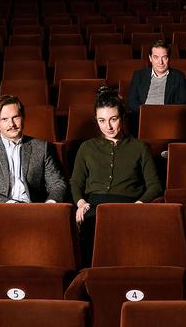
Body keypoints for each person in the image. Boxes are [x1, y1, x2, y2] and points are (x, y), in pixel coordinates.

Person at [0, 95, 67, 263]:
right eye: (5, 119)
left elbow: (57, 183)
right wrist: (10, 205)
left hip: (34, 211)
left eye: (15, 117)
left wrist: (49, 206)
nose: (12, 124)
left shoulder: (41, 147)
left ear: (23, 117)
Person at [70, 86, 162, 262]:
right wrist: (80, 203)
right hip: (93, 206)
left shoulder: (139, 147)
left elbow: (155, 185)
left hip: (128, 204)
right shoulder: (87, 147)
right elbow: (76, 183)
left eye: (113, 119)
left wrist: (139, 204)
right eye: (102, 120)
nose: (108, 126)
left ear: (123, 117)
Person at [127, 39, 186, 112]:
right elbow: (132, 101)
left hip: (167, 117)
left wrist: (163, 113)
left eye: (164, 57)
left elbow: (183, 101)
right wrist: (146, 112)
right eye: (156, 57)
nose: (160, 62)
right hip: (143, 116)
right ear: (150, 58)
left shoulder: (179, 76)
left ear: (168, 58)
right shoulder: (139, 75)